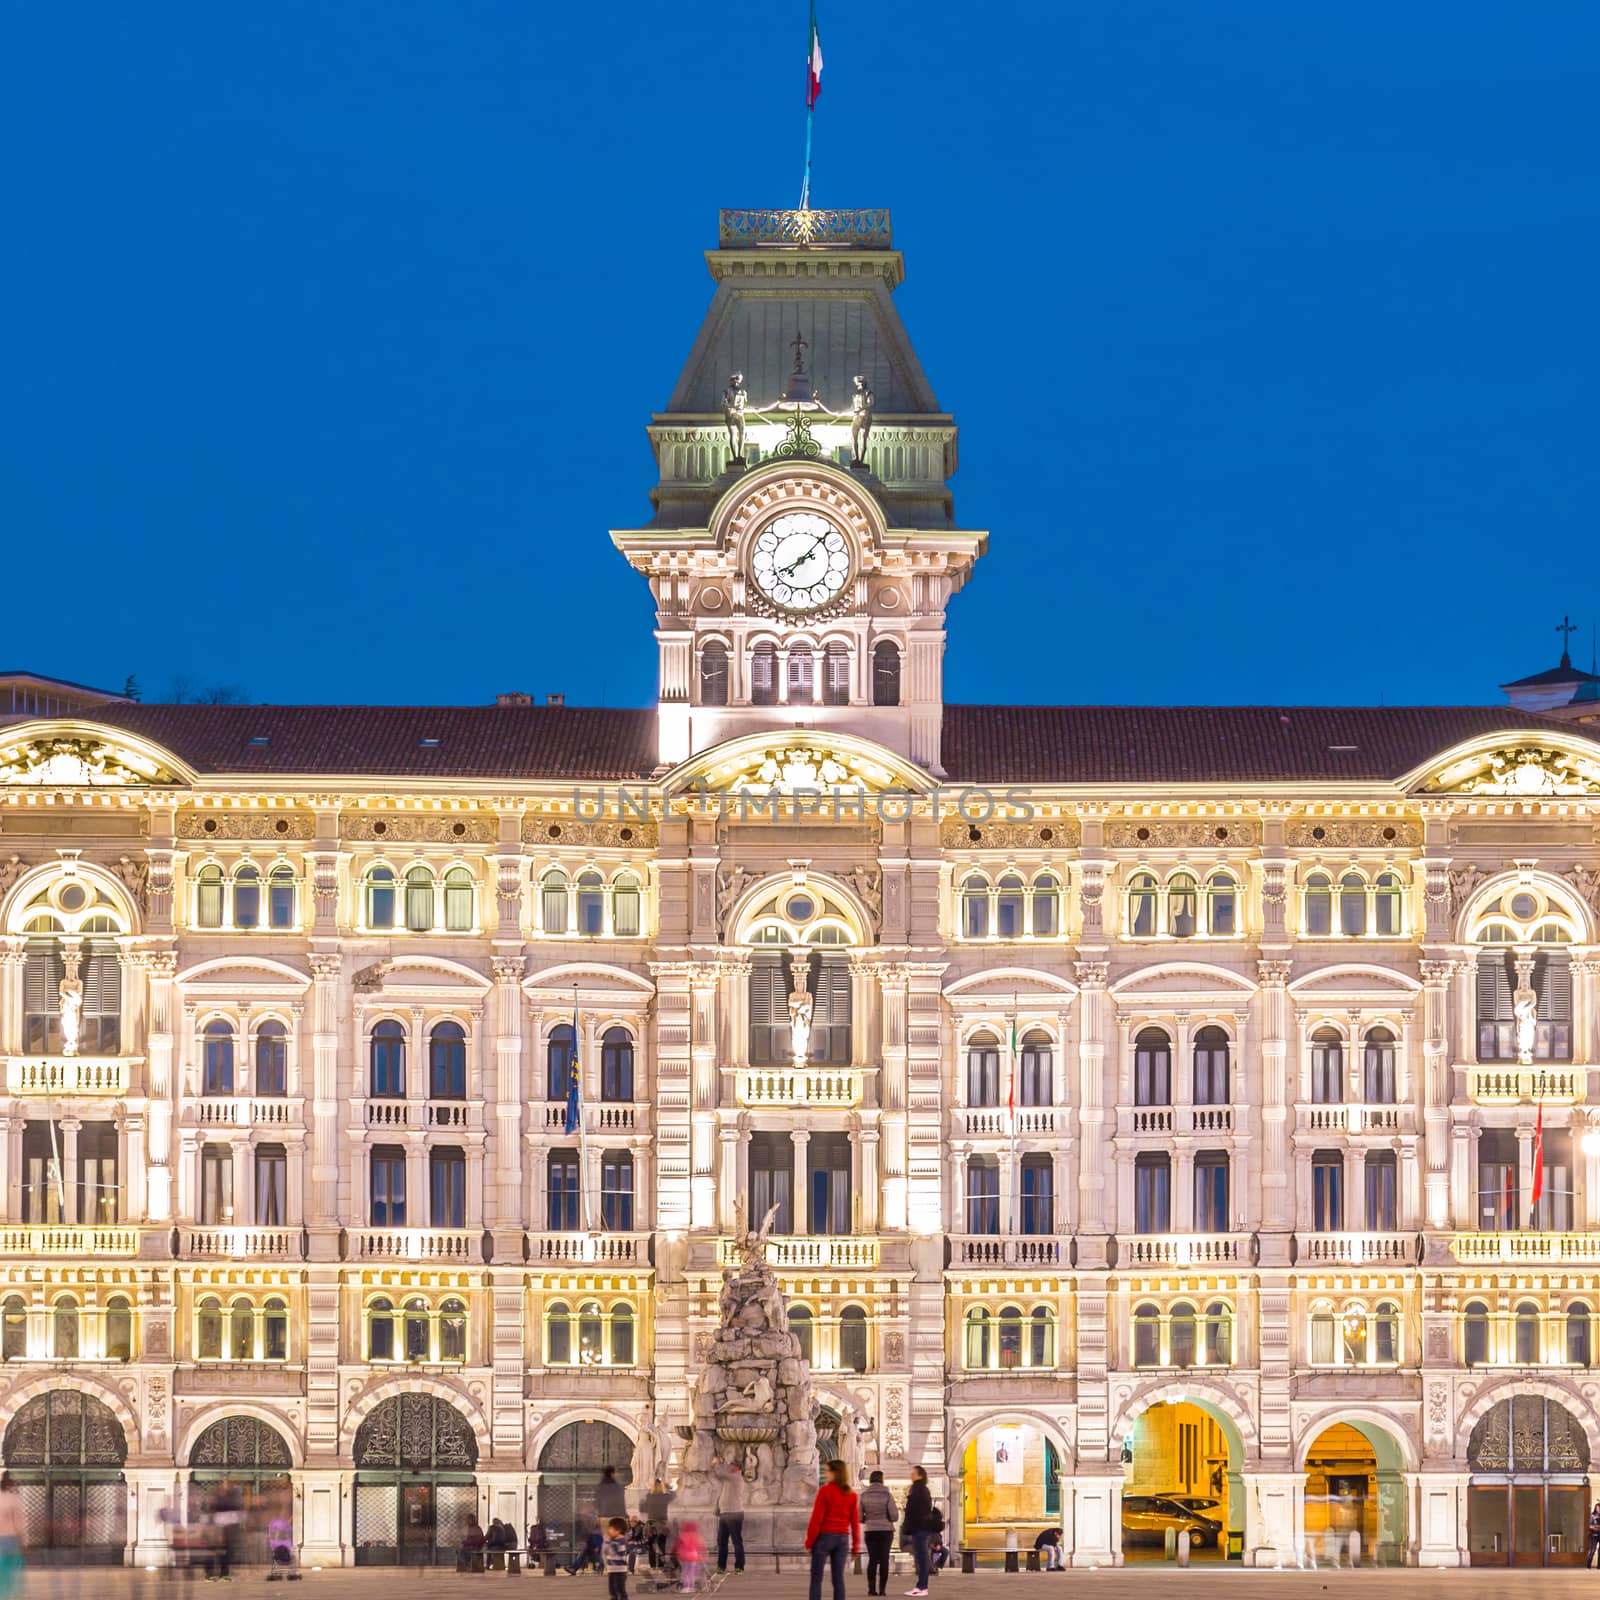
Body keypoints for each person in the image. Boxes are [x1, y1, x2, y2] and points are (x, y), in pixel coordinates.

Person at [805, 1458, 861, 1600]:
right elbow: (855, 1523)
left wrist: (809, 1541)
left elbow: (816, 1519)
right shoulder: (852, 1495)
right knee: (838, 1578)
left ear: (835, 1473)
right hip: (842, 1538)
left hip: (825, 1537)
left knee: (816, 1578)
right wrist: (856, 1546)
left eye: (827, 1471)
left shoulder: (825, 1491)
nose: (826, 1474)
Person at [859, 1470, 898, 1597]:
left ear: (870, 1480)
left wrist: (868, 1519)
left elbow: (859, 1516)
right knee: (884, 1559)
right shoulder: (887, 1495)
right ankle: (882, 1590)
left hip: (870, 1530)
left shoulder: (864, 1495)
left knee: (873, 1559)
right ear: (882, 1480)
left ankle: (871, 1590)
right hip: (886, 1531)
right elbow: (894, 1516)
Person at [901, 1465, 934, 1597]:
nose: (911, 1475)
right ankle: (921, 1586)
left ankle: (922, 1587)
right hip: (921, 1528)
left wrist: (908, 1525)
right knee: (921, 1558)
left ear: (920, 1475)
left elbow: (913, 1510)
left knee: (922, 1558)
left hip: (919, 1528)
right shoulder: (923, 1489)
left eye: (913, 1473)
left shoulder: (918, 1490)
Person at [715, 1457, 746, 1574]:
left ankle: (739, 1567)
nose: (728, 1466)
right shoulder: (729, 1479)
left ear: (737, 1467)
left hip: (734, 1513)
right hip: (725, 1513)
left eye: (731, 1464)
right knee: (721, 1542)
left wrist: (717, 1463)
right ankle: (721, 1566)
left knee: (736, 1541)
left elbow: (719, 1473)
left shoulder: (736, 1477)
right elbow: (721, 1495)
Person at [641, 1479, 673, 1567]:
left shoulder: (649, 1496)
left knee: (651, 1544)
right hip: (662, 1523)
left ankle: (652, 1565)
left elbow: (644, 1508)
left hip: (651, 1522)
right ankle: (661, 1564)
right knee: (662, 1544)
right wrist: (667, 1487)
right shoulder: (666, 1496)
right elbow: (674, 1495)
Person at [0, 1477, 23, 1600]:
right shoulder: (13, 1499)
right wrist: (23, 1539)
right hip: (11, 1537)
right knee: (12, 1566)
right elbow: (18, 1522)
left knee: (2, 1566)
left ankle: (2, 1593)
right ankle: (11, 1593)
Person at [673, 1520, 706, 1593]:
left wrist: (674, 1552)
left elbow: (676, 1546)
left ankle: (686, 1586)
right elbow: (701, 1546)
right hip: (693, 1556)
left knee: (685, 1572)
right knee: (692, 1572)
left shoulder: (682, 1536)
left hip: (684, 1556)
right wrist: (703, 1556)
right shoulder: (696, 1536)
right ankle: (691, 1586)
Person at [604, 1517, 632, 1600]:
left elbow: (620, 1554)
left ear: (618, 1530)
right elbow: (606, 1552)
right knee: (612, 1591)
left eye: (610, 1529)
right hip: (612, 1570)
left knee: (620, 1591)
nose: (608, 1531)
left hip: (620, 1571)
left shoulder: (622, 1542)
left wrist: (608, 1543)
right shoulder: (613, 1541)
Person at [1588, 1501, 1600, 1568]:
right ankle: (1588, 1565)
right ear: (1595, 1508)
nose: (1598, 1509)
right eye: (1597, 1508)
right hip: (1594, 1535)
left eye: (1599, 1508)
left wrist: (1596, 1526)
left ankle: (1599, 1566)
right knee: (1593, 1550)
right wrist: (1596, 1527)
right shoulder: (1592, 1515)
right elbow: (1590, 1526)